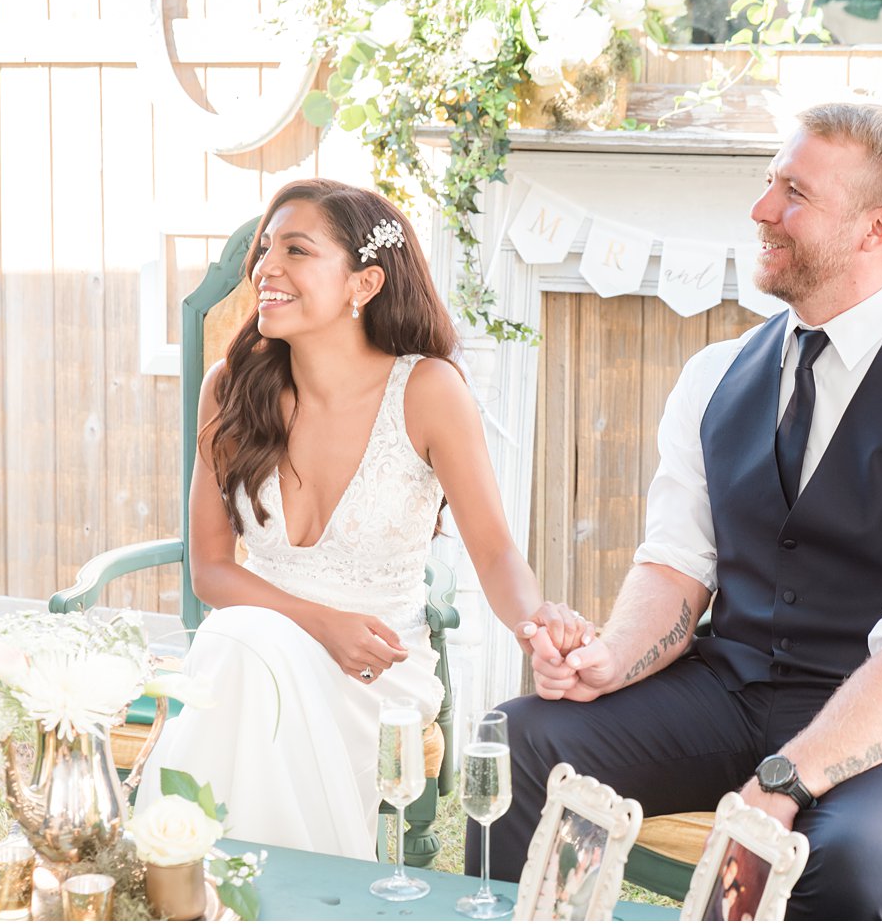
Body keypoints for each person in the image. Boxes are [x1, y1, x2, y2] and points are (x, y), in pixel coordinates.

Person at [473, 103, 882, 918]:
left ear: (877, 228)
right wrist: (610, 661)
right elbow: (674, 566)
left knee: (847, 862)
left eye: (794, 193)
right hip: (727, 691)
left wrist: (786, 780)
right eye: (769, 182)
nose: (761, 209)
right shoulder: (714, 375)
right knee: (523, 738)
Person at [137, 179, 582, 859]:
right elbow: (213, 571)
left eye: (296, 250)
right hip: (257, 645)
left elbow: (493, 552)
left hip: (376, 671)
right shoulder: (229, 387)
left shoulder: (429, 390)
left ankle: (184, 876)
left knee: (234, 651)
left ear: (363, 283)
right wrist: (319, 623)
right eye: (263, 250)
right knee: (242, 643)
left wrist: (535, 627)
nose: (265, 269)